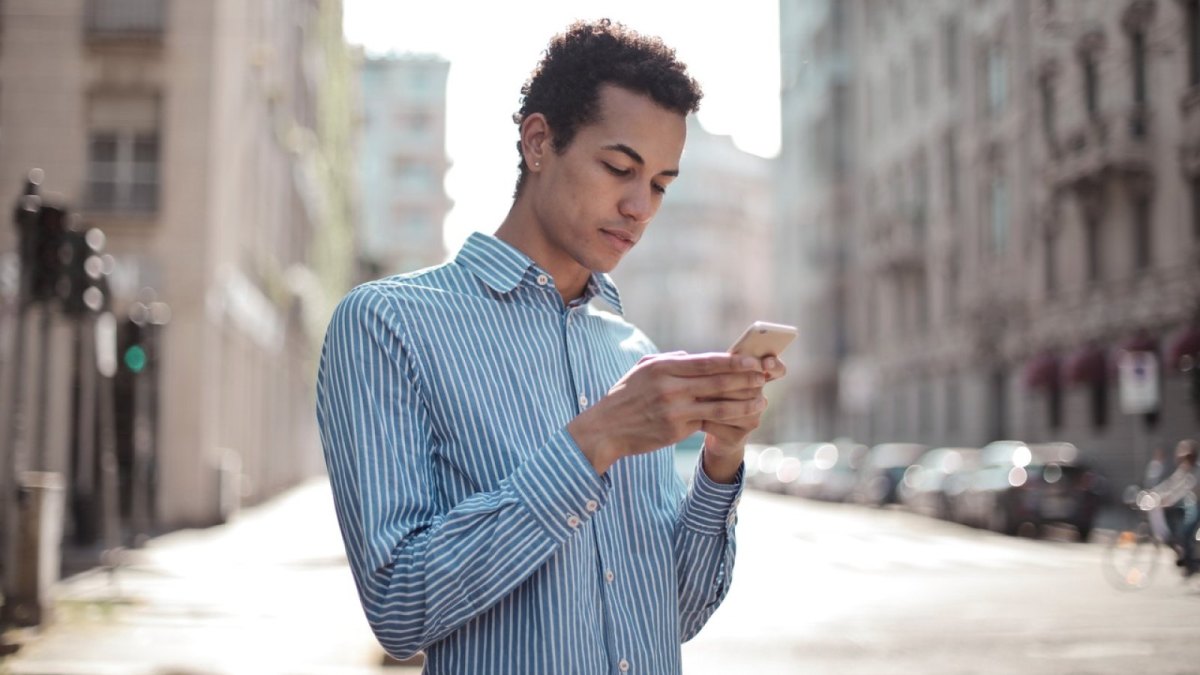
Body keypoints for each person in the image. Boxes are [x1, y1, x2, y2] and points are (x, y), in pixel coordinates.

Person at [316, 19, 785, 674]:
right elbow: (399, 608)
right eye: (619, 167)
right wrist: (593, 442)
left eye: (659, 183)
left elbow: (675, 611)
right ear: (539, 142)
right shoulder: (389, 324)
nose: (639, 206)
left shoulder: (633, 351)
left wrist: (721, 458)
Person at [1150, 439, 1199, 576]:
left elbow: (1185, 488)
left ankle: (1191, 562)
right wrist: (1153, 494)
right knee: (1176, 523)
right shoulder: (1184, 469)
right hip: (1191, 504)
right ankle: (1184, 555)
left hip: (1197, 505)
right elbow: (1171, 484)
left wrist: (1169, 500)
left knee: (1187, 528)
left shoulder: (1197, 470)